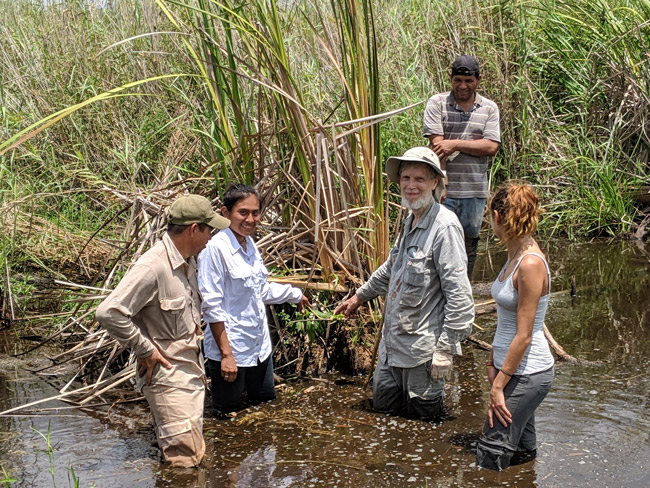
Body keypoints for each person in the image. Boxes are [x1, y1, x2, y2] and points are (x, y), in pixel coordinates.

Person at [335, 147, 474, 420]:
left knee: (424, 425)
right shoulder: (410, 218)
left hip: (422, 355)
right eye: (406, 178)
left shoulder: (445, 227)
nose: (411, 185)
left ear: (435, 183)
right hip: (392, 347)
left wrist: (445, 350)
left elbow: (460, 299)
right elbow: (391, 268)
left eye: (419, 179)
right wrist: (359, 297)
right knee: (383, 411)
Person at [96, 194, 230, 468]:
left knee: (188, 458)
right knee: (184, 466)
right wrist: (144, 348)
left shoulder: (186, 261)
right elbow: (109, 312)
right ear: (195, 229)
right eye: (209, 230)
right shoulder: (154, 266)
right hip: (169, 381)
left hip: (190, 375)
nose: (210, 238)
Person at [198, 183, 310, 416]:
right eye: (243, 212)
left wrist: (295, 295)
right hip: (232, 348)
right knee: (226, 414)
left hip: (259, 346)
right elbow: (212, 308)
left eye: (255, 213)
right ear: (225, 212)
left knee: (265, 406)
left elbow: (260, 291)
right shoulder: (215, 249)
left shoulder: (249, 245)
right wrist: (226, 356)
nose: (250, 219)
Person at [476, 181, 554, 470]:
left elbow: (524, 335)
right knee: (521, 452)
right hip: (512, 369)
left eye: (489, 217)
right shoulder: (514, 255)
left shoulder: (530, 264)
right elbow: (506, 321)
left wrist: (498, 386)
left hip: (527, 372)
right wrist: (491, 360)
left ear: (497, 216)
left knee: (490, 455)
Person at [422, 55, 501, 280]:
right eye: (457, 80)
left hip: (474, 190)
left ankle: (462, 290)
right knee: (439, 239)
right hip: (444, 188)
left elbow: (491, 146)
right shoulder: (437, 103)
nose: (462, 86)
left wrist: (454, 143)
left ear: (478, 80)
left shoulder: (489, 108)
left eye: (468, 81)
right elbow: (438, 146)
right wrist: (443, 177)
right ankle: (438, 290)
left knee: (469, 242)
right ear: (451, 79)